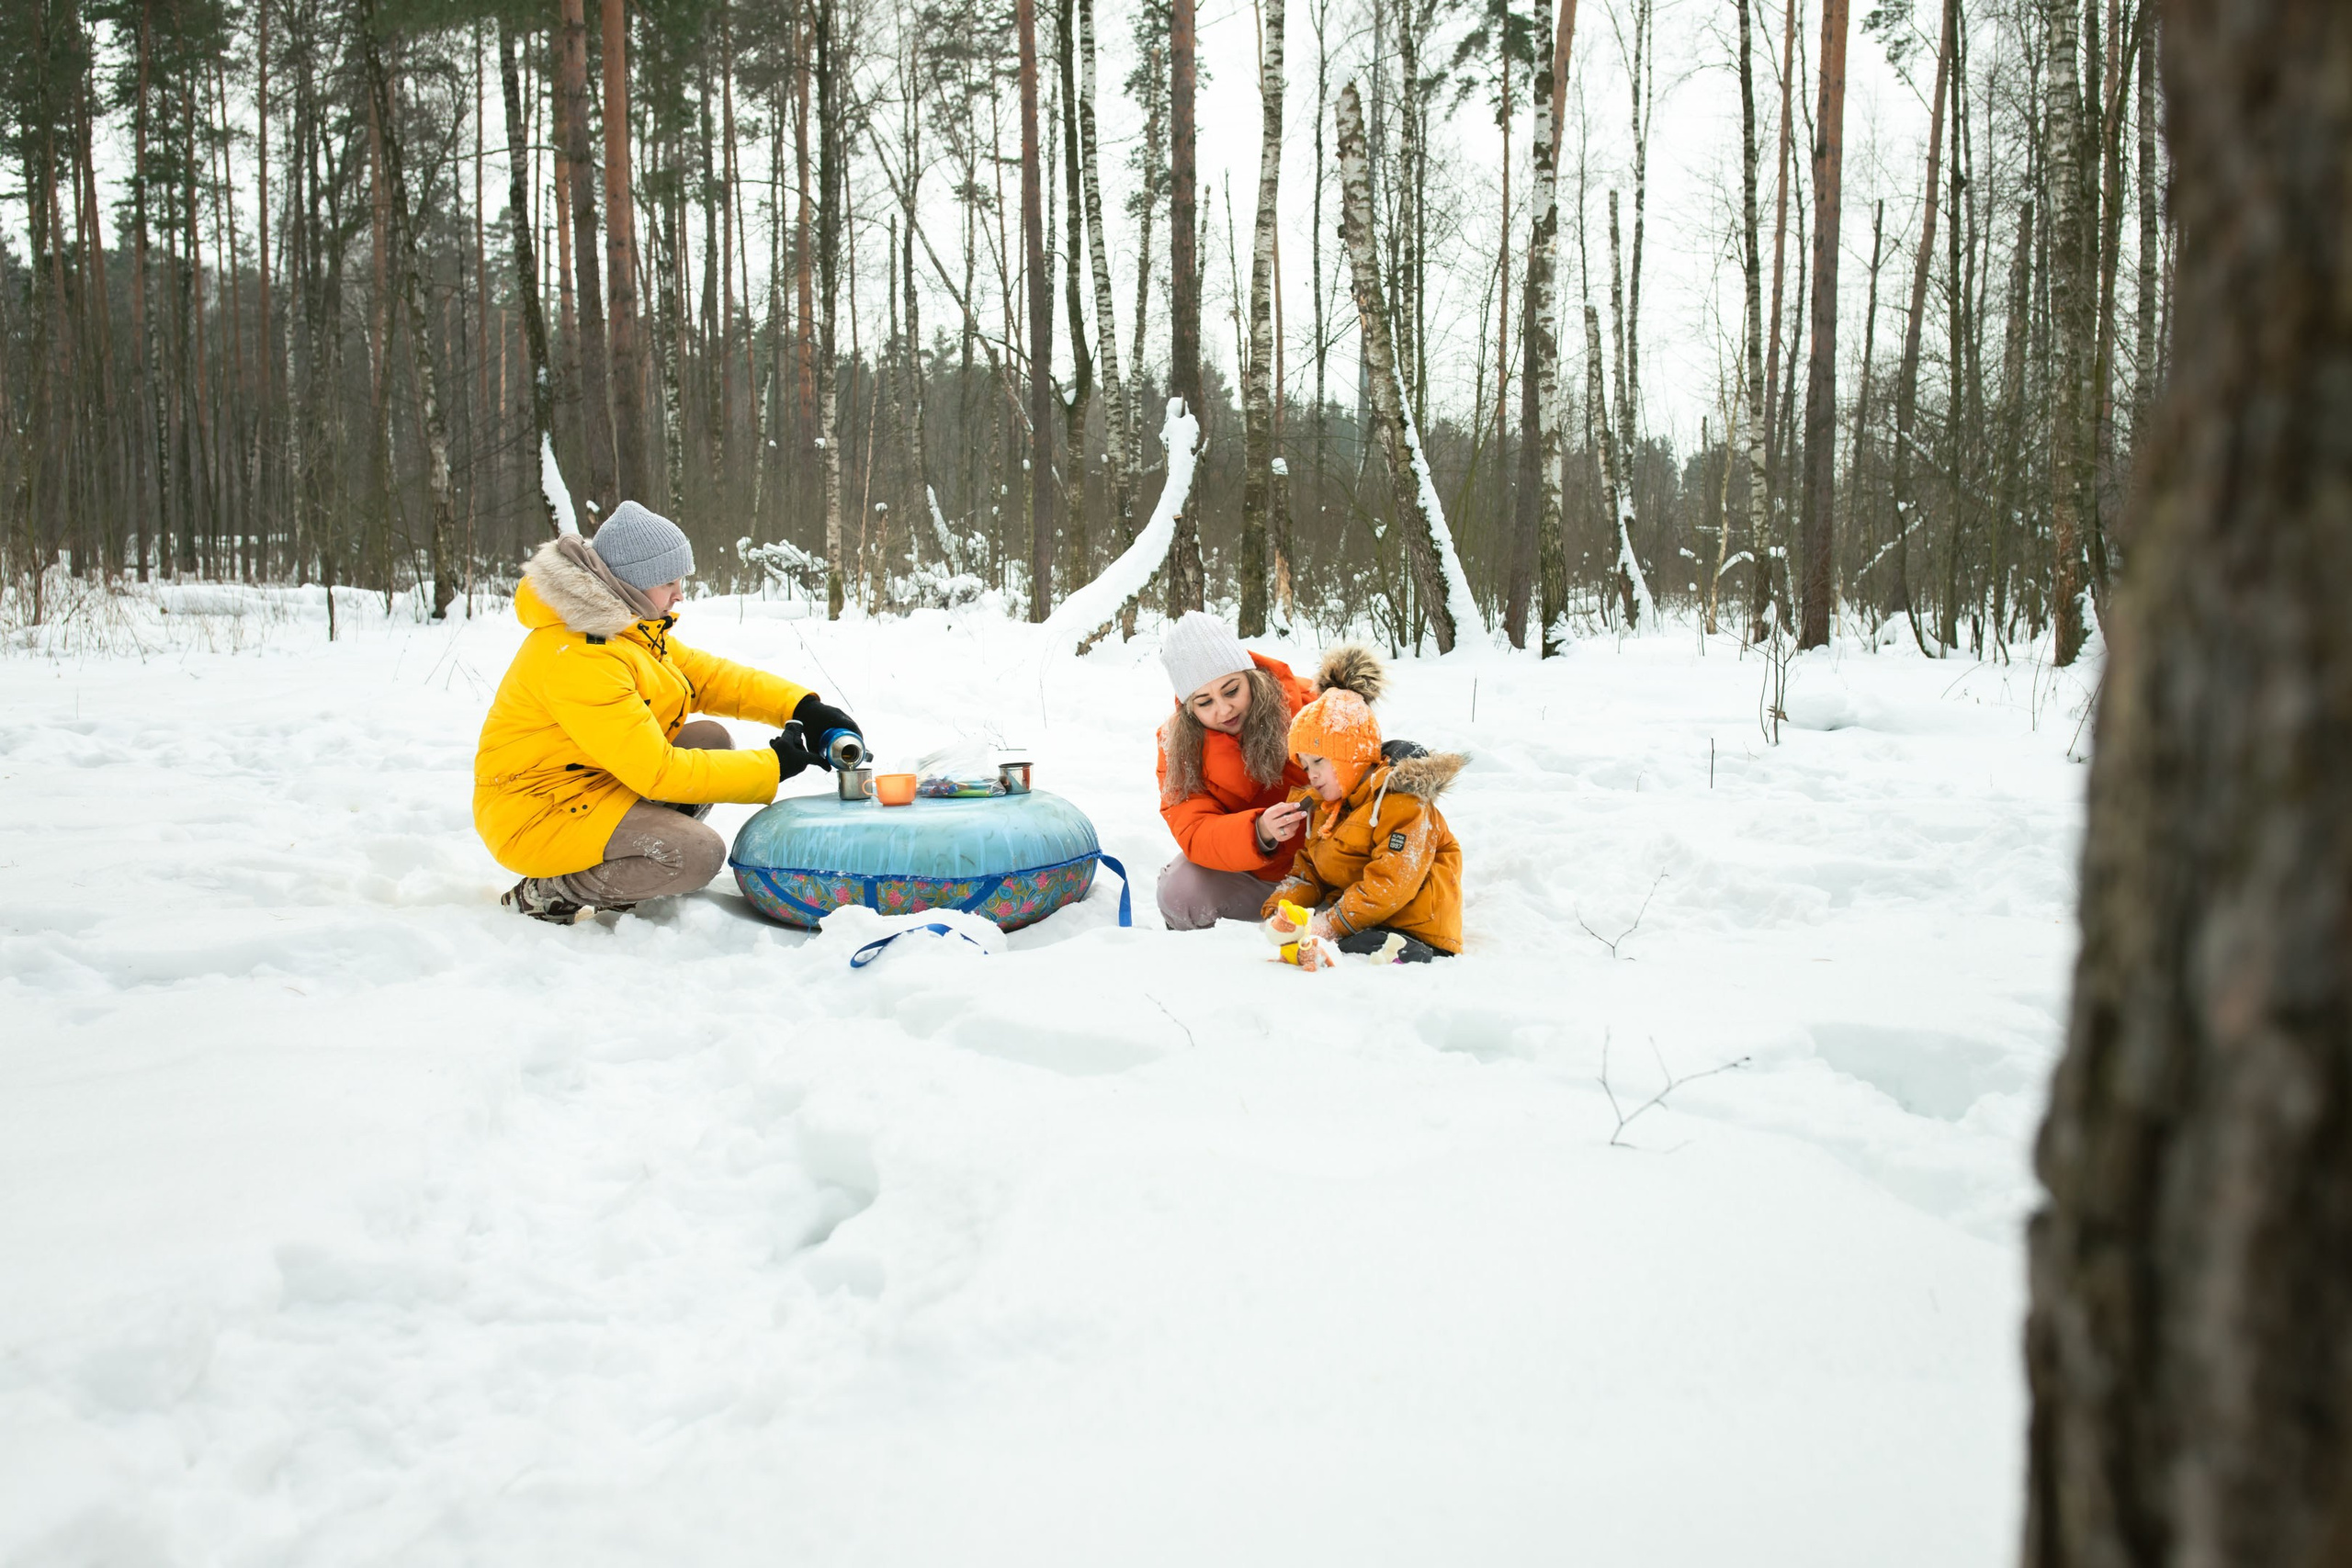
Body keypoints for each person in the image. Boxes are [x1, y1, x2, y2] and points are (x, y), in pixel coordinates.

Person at [474, 501, 861, 922]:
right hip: (537, 813)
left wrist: (805, 706)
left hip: (588, 784)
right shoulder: (580, 656)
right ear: (629, 583)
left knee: (710, 739)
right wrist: (772, 767)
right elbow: (657, 772)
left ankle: (632, 864)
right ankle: (549, 892)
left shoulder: (627, 628)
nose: (679, 594)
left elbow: (710, 678)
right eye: (668, 582)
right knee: (696, 855)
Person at [1261, 649, 1464, 964]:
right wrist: (1281, 910)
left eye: (1319, 761)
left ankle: (1405, 956)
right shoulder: (1328, 809)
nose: (1311, 775)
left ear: (1351, 756)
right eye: (1304, 765)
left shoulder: (1401, 802)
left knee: (1355, 946)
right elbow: (1310, 870)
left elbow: (1393, 881)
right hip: (1366, 919)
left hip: (1420, 925)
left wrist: (1330, 923)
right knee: (1348, 944)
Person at [1153, 612, 1323, 929]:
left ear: (1251, 677)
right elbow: (1195, 830)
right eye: (1205, 702)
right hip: (1257, 879)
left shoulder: (1310, 704)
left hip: (1331, 868)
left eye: (1231, 691)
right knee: (1180, 891)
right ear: (1189, 709)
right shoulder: (1177, 749)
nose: (1224, 709)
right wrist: (1258, 832)